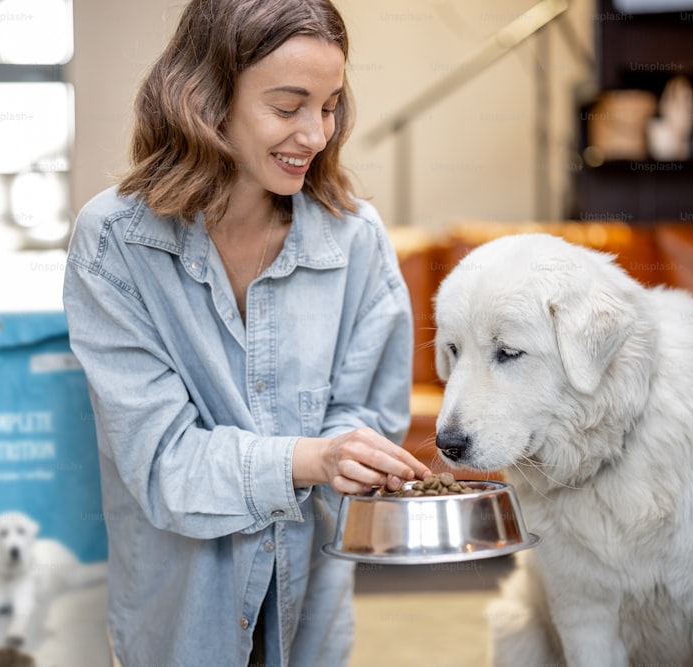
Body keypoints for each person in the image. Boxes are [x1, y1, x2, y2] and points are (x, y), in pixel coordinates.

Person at [62, 0, 432, 665]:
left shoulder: (357, 241)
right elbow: (161, 462)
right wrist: (312, 457)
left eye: (330, 106)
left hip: (308, 614)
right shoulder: (116, 244)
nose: (316, 135)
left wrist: (350, 453)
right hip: (176, 621)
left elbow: (365, 414)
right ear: (206, 98)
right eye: (288, 108)